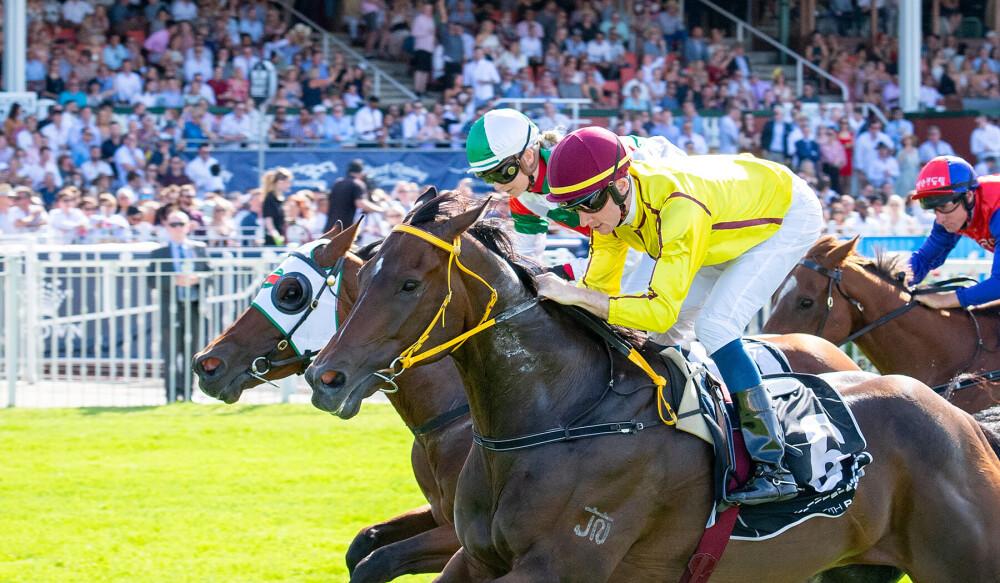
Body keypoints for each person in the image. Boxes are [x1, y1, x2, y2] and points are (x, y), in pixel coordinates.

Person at [536, 126, 823, 505]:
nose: (583, 221)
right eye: (573, 209)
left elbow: (657, 311)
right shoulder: (609, 212)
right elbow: (599, 292)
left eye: (586, 205)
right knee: (655, 334)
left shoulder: (676, 207)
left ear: (621, 185)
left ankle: (774, 464)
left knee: (715, 327)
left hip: (785, 217)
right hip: (723, 225)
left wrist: (580, 298)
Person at [464, 108, 684, 270]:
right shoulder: (521, 198)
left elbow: (627, 255)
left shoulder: (577, 170)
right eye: (486, 177)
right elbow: (526, 259)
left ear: (529, 156)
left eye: (502, 173)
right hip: (639, 233)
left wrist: (561, 274)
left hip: (674, 204)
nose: (498, 186)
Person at [907, 156, 1000, 310]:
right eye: (934, 209)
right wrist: (897, 278)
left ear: (968, 196)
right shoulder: (954, 213)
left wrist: (945, 300)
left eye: (943, 207)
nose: (940, 219)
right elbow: (924, 259)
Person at [147, 210, 210, 402]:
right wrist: (175, 281)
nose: (177, 228)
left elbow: (210, 275)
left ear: (188, 226)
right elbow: (152, 280)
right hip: (171, 307)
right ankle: (172, 395)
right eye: (173, 224)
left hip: (193, 306)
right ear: (167, 227)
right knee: (171, 352)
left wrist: (197, 279)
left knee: (194, 353)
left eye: (180, 224)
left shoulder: (199, 248)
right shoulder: (159, 253)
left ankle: (189, 394)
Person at [324, 159, 382, 231]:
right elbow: (361, 203)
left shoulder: (338, 183)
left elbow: (327, 204)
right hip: (345, 230)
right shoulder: (358, 183)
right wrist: (381, 210)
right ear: (361, 172)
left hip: (330, 228)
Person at [260, 168, 291, 246]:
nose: (289, 185)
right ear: (280, 182)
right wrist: (277, 238)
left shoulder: (281, 199)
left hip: (282, 240)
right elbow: (269, 222)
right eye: (287, 182)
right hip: (272, 244)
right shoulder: (269, 199)